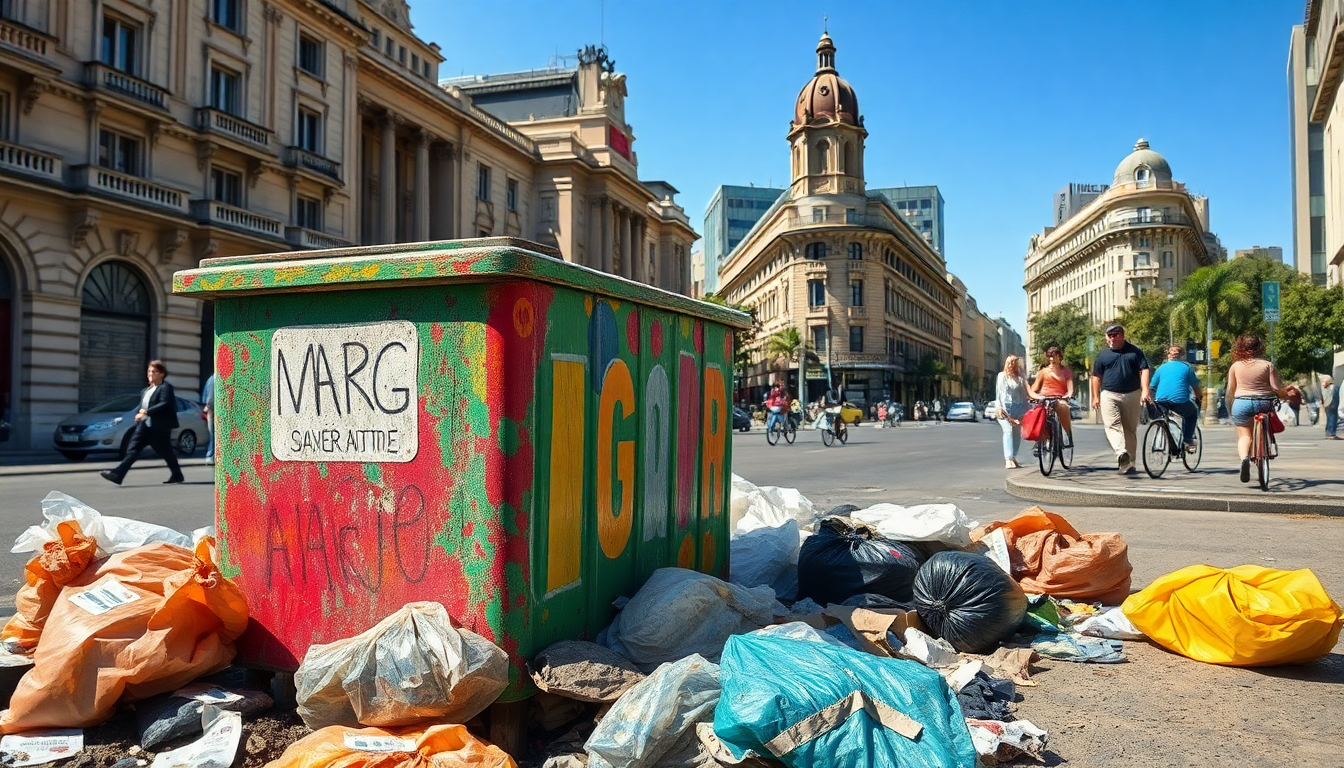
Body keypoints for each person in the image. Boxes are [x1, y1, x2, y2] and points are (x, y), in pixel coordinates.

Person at [100, 360, 184, 485]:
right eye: (149, 371)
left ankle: (177, 474)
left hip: (159, 426)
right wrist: (139, 415)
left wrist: (146, 412)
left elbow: (164, 404)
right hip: (145, 425)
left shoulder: (165, 388)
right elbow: (142, 406)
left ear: (161, 373)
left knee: (166, 451)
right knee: (134, 449)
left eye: (154, 371)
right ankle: (118, 474)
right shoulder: (146, 390)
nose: (150, 374)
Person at [1226, 334, 1295, 481]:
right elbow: (1276, 388)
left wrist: (1232, 404)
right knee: (1265, 419)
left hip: (1242, 402)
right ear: (1260, 347)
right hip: (1264, 402)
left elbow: (1231, 389)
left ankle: (1244, 459)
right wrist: (1285, 394)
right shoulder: (1267, 365)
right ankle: (1264, 446)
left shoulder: (1236, 366)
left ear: (1241, 347)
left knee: (1245, 435)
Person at [1090, 324, 1150, 475]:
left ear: (1122, 336)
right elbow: (1096, 376)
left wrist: (1145, 390)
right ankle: (1121, 453)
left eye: (1114, 335)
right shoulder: (1103, 355)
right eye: (1109, 335)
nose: (1111, 338)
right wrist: (1095, 396)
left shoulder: (1135, 352)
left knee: (1130, 429)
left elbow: (1144, 370)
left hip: (1132, 394)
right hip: (1109, 395)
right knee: (1112, 425)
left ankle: (1130, 463)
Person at [1147, 345, 1202, 452]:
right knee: (1192, 413)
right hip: (1180, 401)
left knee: (1163, 416)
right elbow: (1195, 386)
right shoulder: (1187, 367)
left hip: (1161, 401)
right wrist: (1199, 399)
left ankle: (1160, 441)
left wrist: (1151, 399)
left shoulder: (1161, 368)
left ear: (1168, 356)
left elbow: (1152, 386)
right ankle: (1188, 440)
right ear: (1182, 356)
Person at [1029, 344, 1075, 446]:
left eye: (1054, 356)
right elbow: (1035, 387)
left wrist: (1068, 394)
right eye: (1050, 357)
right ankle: (1039, 440)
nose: (1052, 359)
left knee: (1063, 407)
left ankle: (1067, 433)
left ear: (1060, 357)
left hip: (1059, 397)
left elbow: (1070, 386)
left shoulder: (1066, 371)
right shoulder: (1043, 372)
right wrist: (1031, 395)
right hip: (1044, 398)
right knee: (1038, 413)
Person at [996, 355, 1030, 469]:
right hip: (1005, 409)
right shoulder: (1002, 376)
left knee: (1016, 435)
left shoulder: (1020, 378)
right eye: (1009, 363)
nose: (1010, 365)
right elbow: (999, 394)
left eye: (1013, 363)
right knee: (1008, 431)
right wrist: (1000, 408)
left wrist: (1026, 410)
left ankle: (1013, 456)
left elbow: (1024, 395)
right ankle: (1008, 459)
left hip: (1018, 409)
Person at [202, 373, 216, 465]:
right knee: (214, 435)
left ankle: (211, 455)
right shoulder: (215, 379)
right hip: (214, 412)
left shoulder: (210, 379)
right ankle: (211, 456)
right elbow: (210, 400)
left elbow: (205, 398)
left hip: (210, 412)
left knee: (212, 435)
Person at [1323, 375, 1340, 440]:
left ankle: (1328, 432)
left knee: (1329, 418)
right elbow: (1334, 396)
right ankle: (1332, 433)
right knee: (1333, 418)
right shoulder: (1334, 387)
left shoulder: (1324, 387)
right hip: (1332, 404)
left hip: (1326, 404)